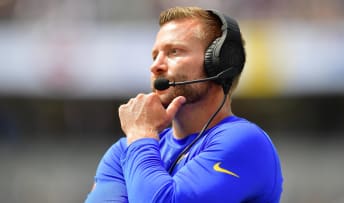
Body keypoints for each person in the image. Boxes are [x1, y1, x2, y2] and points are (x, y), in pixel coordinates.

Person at [85, 6, 283, 203]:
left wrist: (141, 134)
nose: (155, 66)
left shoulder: (246, 141)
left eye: (173, 52)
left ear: (219, 63)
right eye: (155, 55)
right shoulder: (125, 149)